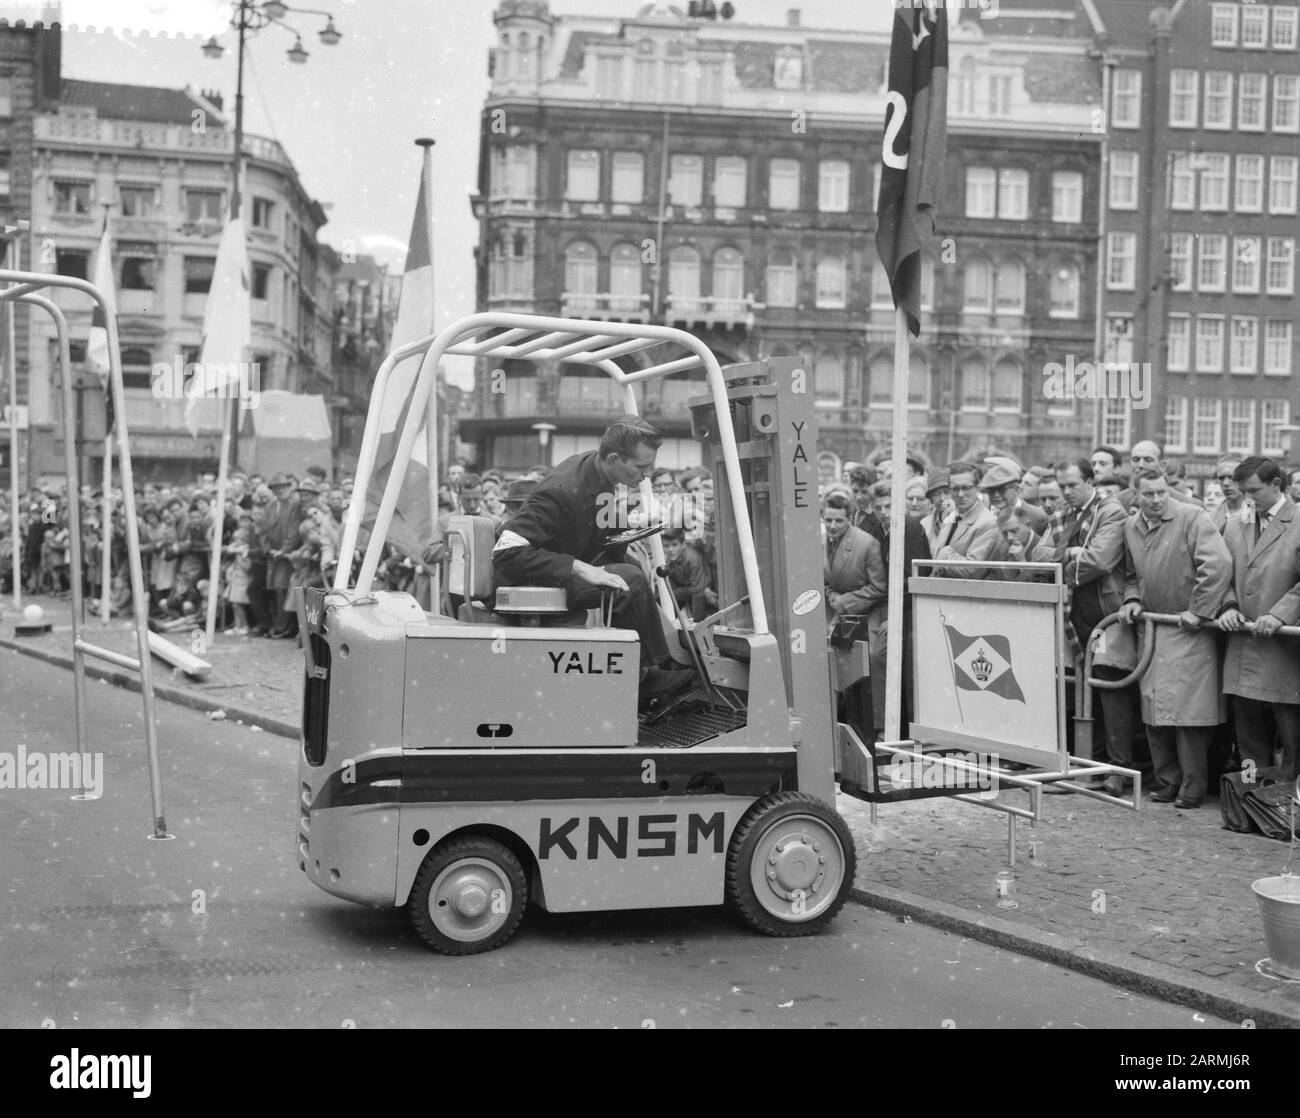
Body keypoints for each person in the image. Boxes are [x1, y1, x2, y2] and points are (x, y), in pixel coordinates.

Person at [493, 415, 691, 702]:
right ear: (613, 458)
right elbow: (506, 551)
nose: (648, 473)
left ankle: (654, 662)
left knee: (632, 567)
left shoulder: (597, 470)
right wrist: (579, 568)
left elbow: (591, 517)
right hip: (531, 578)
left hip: (556, 565)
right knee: (630, 580)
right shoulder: (560, 491)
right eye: (641, 466)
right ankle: (645, 677)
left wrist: (631, 523)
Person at [1119, 468, 1233, 808]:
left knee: (1189, 715)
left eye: (1161, 493)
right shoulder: (1131, 526)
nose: (1155, 500)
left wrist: (1199, 610)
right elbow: (1130, 575)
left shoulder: (1191, 516)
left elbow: (1217, 564)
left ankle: (1193, 786)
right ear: (1135, 495)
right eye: (1148, 494)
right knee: (1154, 709)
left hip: (1188, 630)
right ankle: (1167, 779)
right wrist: (1132, 599)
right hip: (1153, 629)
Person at [1037, 458, 1147, 794]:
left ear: (1090, 482)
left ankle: (1118, 769)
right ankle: (1090, 763)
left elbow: (1099, 560)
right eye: (1063, 486)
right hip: (1075, 612)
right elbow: (1038, 556)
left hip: (1107, 612)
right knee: (1084, 689)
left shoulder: (1109, 511)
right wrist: (1067, 553)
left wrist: (1065, 562)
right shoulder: (1062, 516)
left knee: (1110, 683)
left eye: (1073, 485)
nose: (1066, 492)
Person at [1219, 457, 1300, 781]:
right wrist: (1228, 606)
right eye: (1244, 492)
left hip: (1285, 650)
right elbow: (1220, 576)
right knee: (1248, 731)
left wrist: (1280, 614)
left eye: (1253, 491)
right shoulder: (1236, 524)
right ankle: (1252, 799)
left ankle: (1290, 808)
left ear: (1277, 485)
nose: (1247, 498)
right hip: (1244, 646)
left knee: (1291, 734)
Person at [932, 462, 1007, 578]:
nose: (961, 494)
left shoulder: (988, 522)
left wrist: (945, 554)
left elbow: (972, 570)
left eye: (966, 488)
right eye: (955, 489)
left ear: (977, 488)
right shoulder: (949, 511)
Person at [980, 461, 1049, 534]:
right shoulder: (984, 516)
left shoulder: (1037, 518)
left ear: (1017, 489)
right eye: (991, 490)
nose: (996, 495)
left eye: (1002, 490)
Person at [661, 526, 710, 622]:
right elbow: (671, 591)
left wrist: (696, 623)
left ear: (683, 544)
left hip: (704, 596)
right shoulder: (668, 560)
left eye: (674, 545)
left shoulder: (692, 558)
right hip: (686, 596)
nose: (670, 549)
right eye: (666, 546)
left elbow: (698, 593)